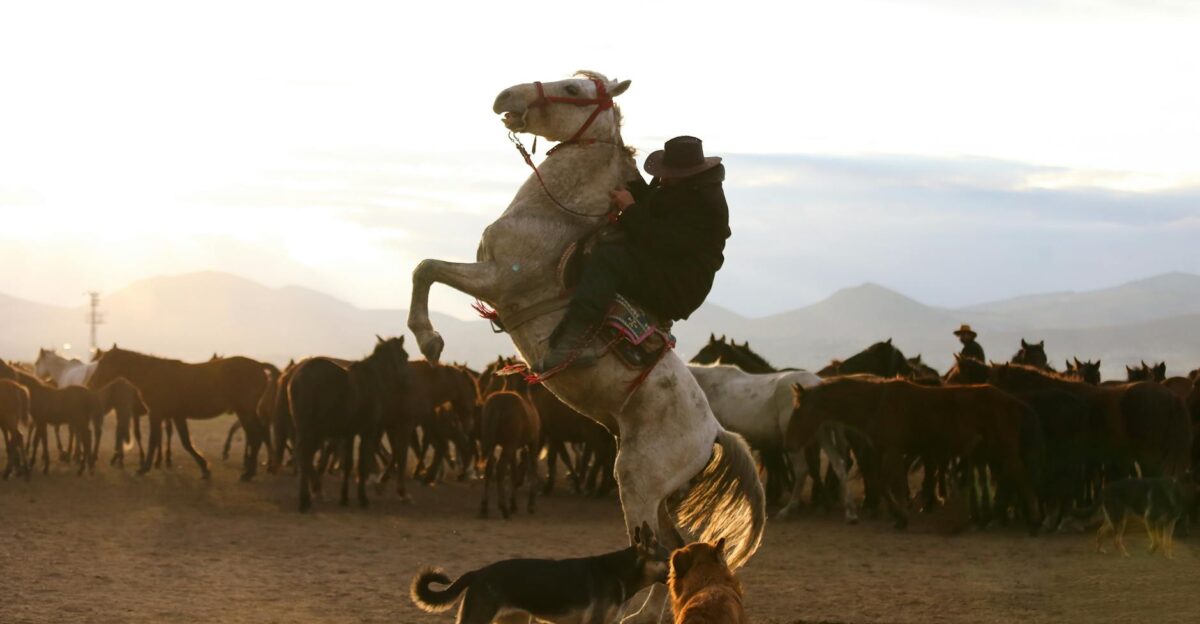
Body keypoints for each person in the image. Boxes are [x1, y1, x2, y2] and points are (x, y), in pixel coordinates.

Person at [536, 136, 731, 372]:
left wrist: (629, 209)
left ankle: (575, 343)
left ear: (686, 174)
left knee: (609, 259)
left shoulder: (706, 204)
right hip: (668, 266)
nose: (662, 177)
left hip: (680, 283)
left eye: (668, 173)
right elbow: (654, 203)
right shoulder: (679, 186)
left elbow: (666, 241)